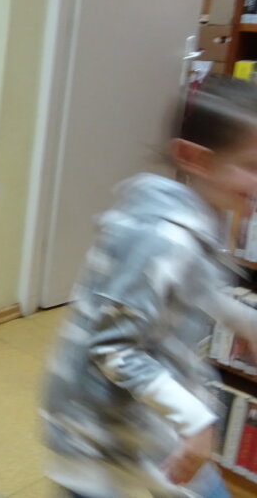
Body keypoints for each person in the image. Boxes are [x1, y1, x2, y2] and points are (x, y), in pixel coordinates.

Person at [41, 76, 257, 497]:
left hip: (148, 419)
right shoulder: (160, 237)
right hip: (94, 428)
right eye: (250, 166)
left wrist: (244, 322)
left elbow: (193, 286)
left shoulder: (200, 218)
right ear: (194, 158)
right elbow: (114, 348)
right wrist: (195, 420)